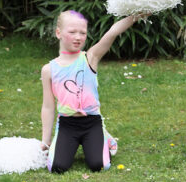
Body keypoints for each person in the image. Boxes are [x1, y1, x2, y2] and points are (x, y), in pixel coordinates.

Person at [40, 10, 144, 173]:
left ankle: (104, 138)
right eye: (72, 32)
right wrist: (45, 142)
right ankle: (64, 144)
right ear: (58, 33)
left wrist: (137, 15)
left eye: (83, 33)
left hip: (91, 123)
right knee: (57, 167)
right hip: (67, 125)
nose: (78, 37)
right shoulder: (49, 70)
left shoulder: (90, 58)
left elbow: (113, 32)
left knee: (99, 165)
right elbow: (48, 107)